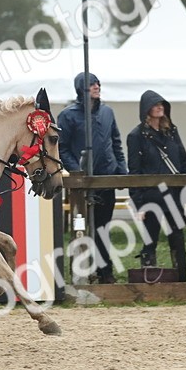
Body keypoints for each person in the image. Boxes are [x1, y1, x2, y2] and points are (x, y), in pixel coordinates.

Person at [57, 71, 127, 283]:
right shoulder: (68, 115)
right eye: (91, 84)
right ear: (81, 89)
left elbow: (116, 142)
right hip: (83, 183)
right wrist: (76, 171)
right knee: (81, 228)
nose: (97, 86)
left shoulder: (107, 112)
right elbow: (62, 148)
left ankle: (104, 271)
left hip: (107, 178)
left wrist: (120, 169)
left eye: (98, 83)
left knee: (103, 227)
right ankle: (83, 271)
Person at [126, 90, 186, 282]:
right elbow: (134, 171)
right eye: (155, 104)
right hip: (151, 196)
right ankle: (148, 279)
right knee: (150, 239)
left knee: (177, 238)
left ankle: (181, 278)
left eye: (162, 104)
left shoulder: (171, 131)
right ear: (146, 109)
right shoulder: (136, 136)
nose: (160, 107)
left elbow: (183, 160)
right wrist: (138, 203)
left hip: (173, 194)